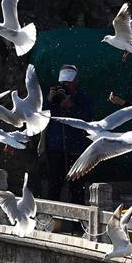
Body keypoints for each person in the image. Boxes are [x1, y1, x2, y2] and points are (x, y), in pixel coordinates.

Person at [41, 64, 93, 204]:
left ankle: (77, 225)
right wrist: (49, 102)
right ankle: (53, 223)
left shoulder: (82, 98)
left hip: (76, 148)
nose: (65, 86)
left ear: (76, 81)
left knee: (77, 188)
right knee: (54, 186)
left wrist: (70, 107)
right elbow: (39, 116)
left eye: (68, 83)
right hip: (55, 148)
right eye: (63, 83)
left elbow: (87, 118)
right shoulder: (53, 97)